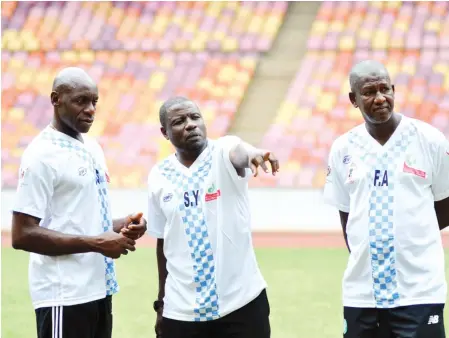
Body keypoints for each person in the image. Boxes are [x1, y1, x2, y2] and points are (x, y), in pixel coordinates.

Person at [11, 67, 148, 338]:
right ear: (55, 99)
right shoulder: (42, 154)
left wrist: (122, 225)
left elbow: (78, 220)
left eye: (94, 101)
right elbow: (22, 234)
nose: (90, 109)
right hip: (64, 294)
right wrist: (97, 243)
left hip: (98, 289)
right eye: (80, 101)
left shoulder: (91, 147)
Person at [323, 60, 449, 338]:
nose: (380, 98)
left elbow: (446, 203)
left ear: (393, 90)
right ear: (353, 99)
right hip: (362, 293)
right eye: (369, 92)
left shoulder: (429, 139)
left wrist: (411, 233)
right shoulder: (343, 149)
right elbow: (348, 217)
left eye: (385, 89)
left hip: (419, 290)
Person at [147, 96, 278, 338]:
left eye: (195, 117)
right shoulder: (158, 176)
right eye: (179, 121)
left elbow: (239, 153)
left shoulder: (222, 152)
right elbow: (163, 243)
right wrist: (161, 303)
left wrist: (253, 154)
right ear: (165, 132)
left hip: (241, 304)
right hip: (182, 312)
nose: (190, 124)